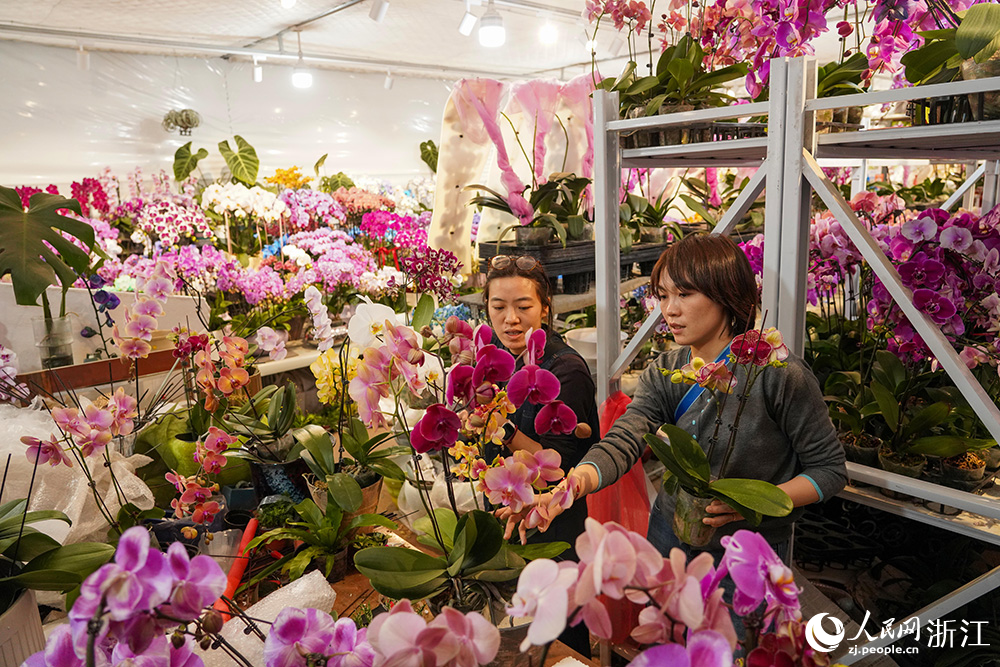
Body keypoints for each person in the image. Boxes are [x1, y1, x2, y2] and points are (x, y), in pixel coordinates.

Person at [504, 234, 847, 569]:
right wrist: (569, 489)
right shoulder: (667, 371)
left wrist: (755, 503)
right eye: (663, 295)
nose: (669, 309)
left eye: (684, 293)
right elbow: (625, 439)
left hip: (747, 553)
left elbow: (829, 469)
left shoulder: (777, 373)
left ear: (727, 293)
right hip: (670, 539)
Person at [482, 253, 599, 656]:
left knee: (561, 642)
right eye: (499, 307)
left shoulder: (566, 371)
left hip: (554, 525)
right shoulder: (492, 363)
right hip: (506, 519)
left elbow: (562, 467)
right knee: (518, 637)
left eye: (523, 306)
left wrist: (505, 429)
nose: (510, 319)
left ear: (545, 309)